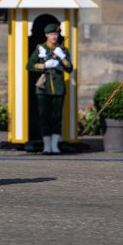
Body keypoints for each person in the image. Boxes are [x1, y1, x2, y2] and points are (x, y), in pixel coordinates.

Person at [26, 23, 73, 154]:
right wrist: (44, 65)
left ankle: (54, 146)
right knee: (44, 117)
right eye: (52, 34)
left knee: (56, 118)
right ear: (46, 35)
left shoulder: (62, 50)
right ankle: (47, 146)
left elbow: (69, 68)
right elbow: (29, 65)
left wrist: (62, 57)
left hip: (58, 88)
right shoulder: (41, 48)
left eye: (56, 34)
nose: (54, 37)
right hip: (43, 88)